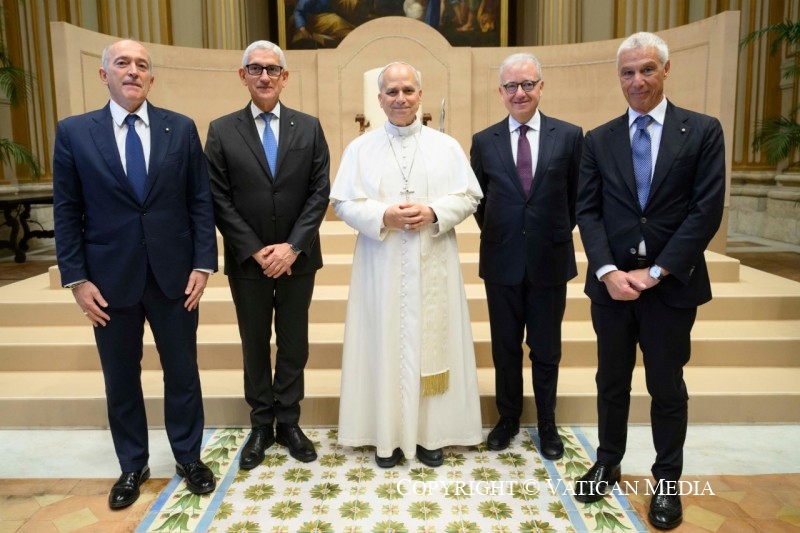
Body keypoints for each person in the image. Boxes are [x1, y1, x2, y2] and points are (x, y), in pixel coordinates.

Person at [53, 39, 218, 509]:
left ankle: (188, 457)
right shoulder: (74, 132)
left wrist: (203, 263)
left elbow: (199, 200)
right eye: (122, 63)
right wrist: (76, 279)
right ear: (103, 74)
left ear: (151, 77)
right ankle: (132, 464)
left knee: (182, 371)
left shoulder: (180, 128)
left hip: (174, 276)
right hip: (108, 280)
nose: (133, 71)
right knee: (120, 377)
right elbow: (66, 211)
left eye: (141, 65)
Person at [574, 32, 725, 530]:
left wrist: (656, 271)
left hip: (672, 285)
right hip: (612, 288)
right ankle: (608, 460)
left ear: (665, 69)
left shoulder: (702, 131)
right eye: (627, 72)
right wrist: (607, 271)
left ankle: (667, 481)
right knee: (611, 380)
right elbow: (588, 211)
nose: (636, 80)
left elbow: (705, 211)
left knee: (666, 385)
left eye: (646, 69)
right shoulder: (598, 139)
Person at [331, 61, 483, 468]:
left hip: (433, 258)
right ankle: (386, 436)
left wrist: (433, 212)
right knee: (383, 343)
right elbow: (342, 202)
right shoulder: (360, 149)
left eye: (408, 91)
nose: (400, 99)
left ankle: (431, 435)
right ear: (379, 99)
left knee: (432, 342)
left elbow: (470, 196)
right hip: (380, 266)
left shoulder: (446, 146)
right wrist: (383, 216)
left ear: (420, 95)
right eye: (392, 92)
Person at [205, 40, 330, 467]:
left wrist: (293, 247)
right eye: (255, 68)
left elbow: (319, 192)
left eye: (272, 69)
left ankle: (289, 421)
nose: (264, 76)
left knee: (294, 343)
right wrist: (257, 250)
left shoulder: (309, 127)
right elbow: (218, 198)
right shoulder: (222, 130)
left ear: (284, 77)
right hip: (249, 261)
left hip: (298, 259)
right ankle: (261, 424)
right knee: (255, 342)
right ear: (243, 76)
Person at [470, 52, 582, 460]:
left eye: (528, 84)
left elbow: (576, 197)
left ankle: (547, 422)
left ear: (541, 87)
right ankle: (508, 418)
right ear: (500, 91)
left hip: (550, 259)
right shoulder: (484, 141)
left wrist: (547, 233)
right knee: (505, 348)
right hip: (501, 261)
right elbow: (480, 201)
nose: (520, 92)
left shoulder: (569, 136)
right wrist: (507, 233)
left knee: (547, 349)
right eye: (512, 86)